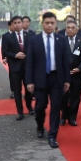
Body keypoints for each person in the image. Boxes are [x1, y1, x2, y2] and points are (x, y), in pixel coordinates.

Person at [25, 12, 71, 148]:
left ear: (56, 24)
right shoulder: (34, 40)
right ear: (42, 23)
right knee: (40, 107)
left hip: (56, 78)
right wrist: (29, 81)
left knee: (56, 108)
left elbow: (65, 61)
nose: (50, 25)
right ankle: (40, 125)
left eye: (52, 23)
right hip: (40, 79)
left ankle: (52, 135)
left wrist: (67, 80)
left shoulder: (61, 39)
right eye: (47, 23)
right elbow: (30, 62)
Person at [2, 15, 34, 120]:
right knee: (17, 90)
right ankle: (20, 112)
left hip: (27, 67)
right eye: (14, 23)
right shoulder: (7, 37)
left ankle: (29, 107)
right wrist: (15, 55)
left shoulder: (30, 35)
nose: (17, 25)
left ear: (22, 23)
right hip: (15, 67)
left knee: (29, 89)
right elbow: (5, 51)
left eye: (19, 22)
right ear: (12, 25)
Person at [61, 19, 81, 126]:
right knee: (63, 96)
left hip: (77, 74)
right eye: (68, 28)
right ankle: (63, 116)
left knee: (76, 97)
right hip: (64, 75)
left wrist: (80, 68)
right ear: (66, 29)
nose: (70, 30)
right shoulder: (61, 40)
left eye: (73, 28)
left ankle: (72, 117)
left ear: (77, 29)